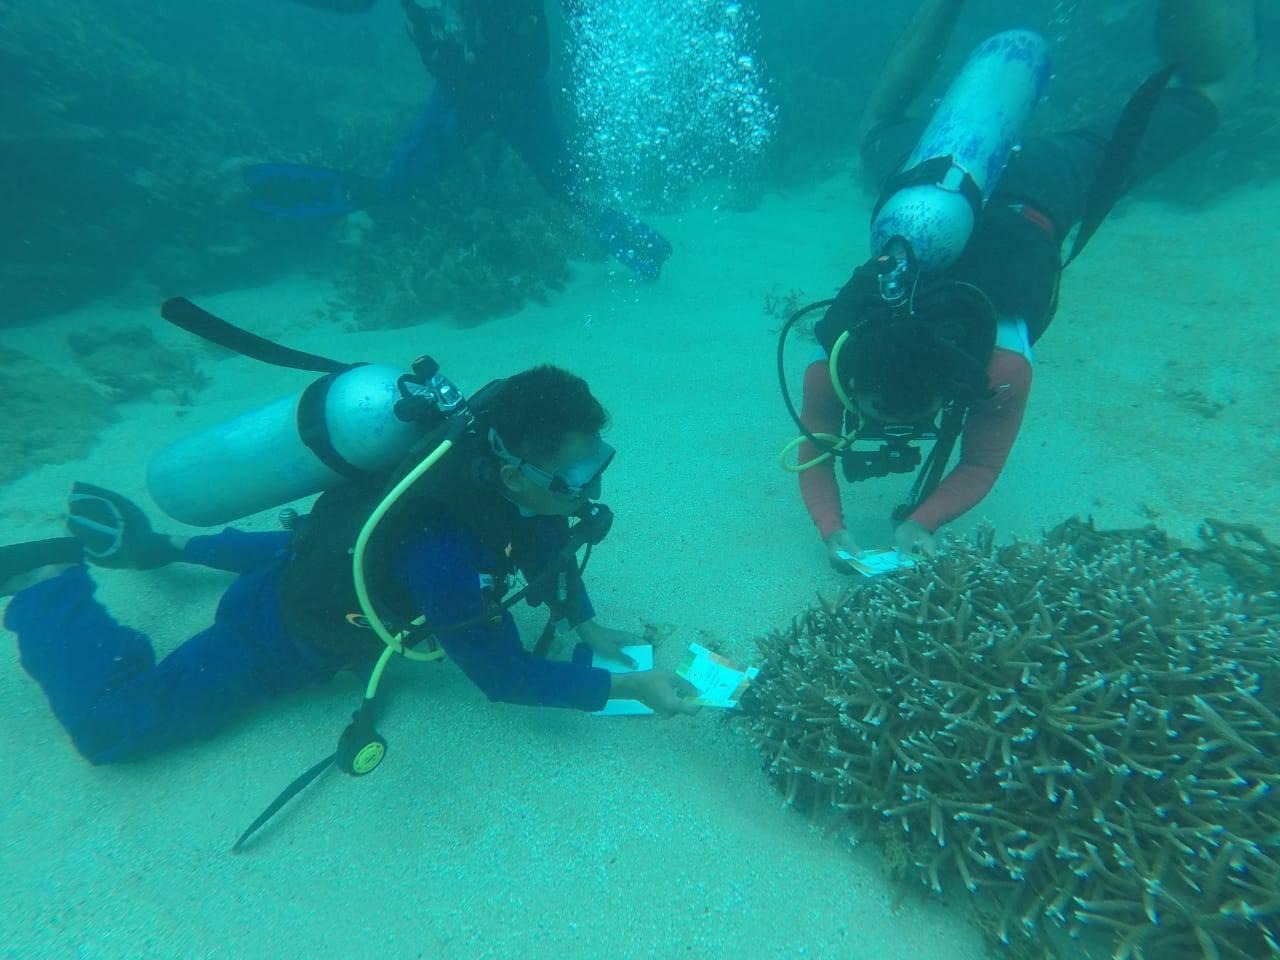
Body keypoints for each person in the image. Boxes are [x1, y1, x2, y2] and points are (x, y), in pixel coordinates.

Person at [0, 365, 697, 765]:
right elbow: (503, 675)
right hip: (284, 632)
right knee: (111, 729)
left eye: (595, 460)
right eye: (575, 467)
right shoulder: (446, 554)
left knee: (286, 549)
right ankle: (46, 589)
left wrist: (588, 623)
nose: (588, 483)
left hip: (321, 551)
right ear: (513, 469)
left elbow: (543, 538)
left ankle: (167, 548)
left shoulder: (489, 472)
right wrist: (633, 687)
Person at [791, 0, 1257, 572]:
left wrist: (920, 520)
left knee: (1216, 91)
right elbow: (827, 449)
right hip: (942, 175)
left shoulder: (1000, 368)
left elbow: (979, 463)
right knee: (878, 131)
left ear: (960, 377)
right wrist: (847, 530)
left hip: (1038, 187)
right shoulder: (835, 360)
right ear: (851, 372)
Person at [248, 0, 673, 280]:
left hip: (517, 96)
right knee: (395, 188)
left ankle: (615, 229)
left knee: (565, 190)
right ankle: (323, 190)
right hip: (463, 98)